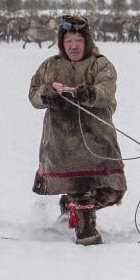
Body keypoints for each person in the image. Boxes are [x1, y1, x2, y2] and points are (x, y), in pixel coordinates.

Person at [28, 15, 126, 246]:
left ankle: (70, 205)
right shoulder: (49, 66)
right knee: (81, 188)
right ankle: (87, 234)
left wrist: (89, 94)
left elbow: (106, 90)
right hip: (62, 144)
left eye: (78, 40)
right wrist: (47, 92)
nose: (73, 45)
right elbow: (34, 96)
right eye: (68, 40)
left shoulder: (100, 65)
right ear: (62, 43)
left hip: (98, 141)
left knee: (113, 191)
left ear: (87, 42)